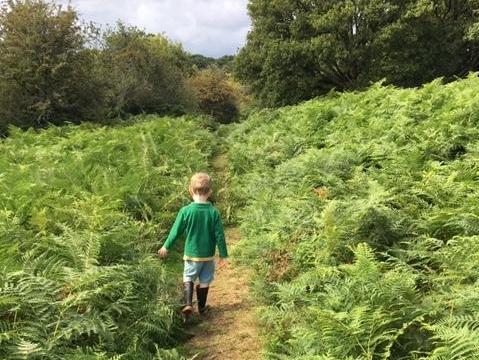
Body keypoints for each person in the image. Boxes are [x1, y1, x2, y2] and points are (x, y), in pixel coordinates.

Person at [158, 172, 228, 315]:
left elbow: (175, 231)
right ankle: (202, 308)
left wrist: (166, 246)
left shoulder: (185, 211)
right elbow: (219, 235)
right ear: (210, 192)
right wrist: (223, 255)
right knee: (205, 280)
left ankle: (188, 303)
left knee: (188, 277)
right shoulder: (213, 212)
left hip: (191, 254)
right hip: (208, 255)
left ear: (190, 191)